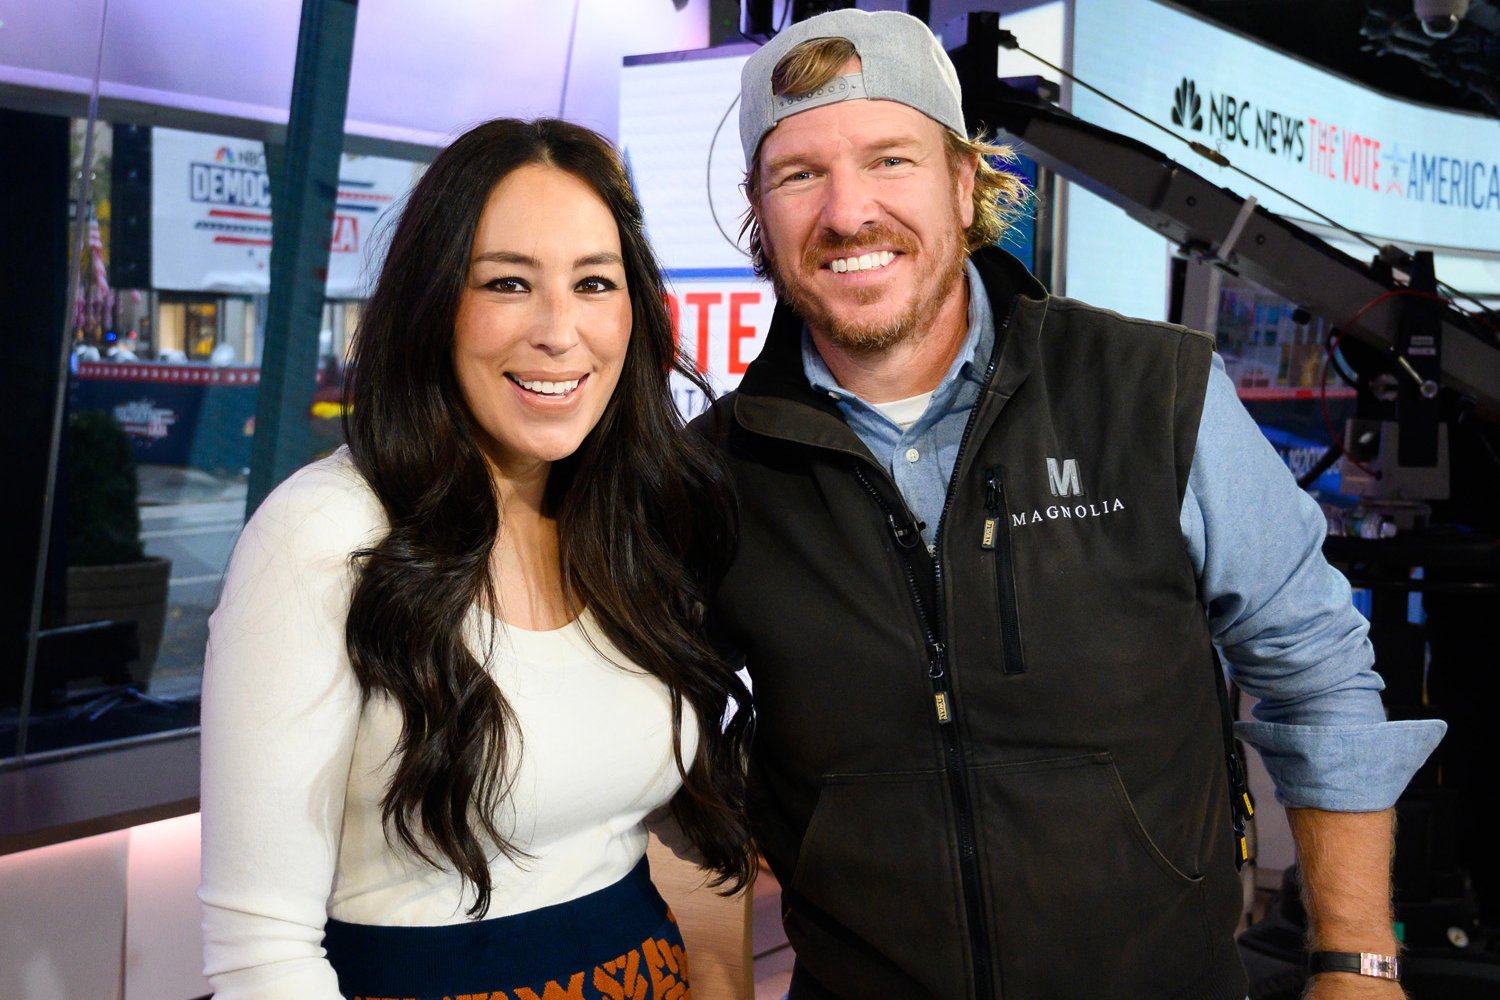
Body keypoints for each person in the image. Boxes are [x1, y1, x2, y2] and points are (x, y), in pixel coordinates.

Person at [694, 10, 1445, 1000]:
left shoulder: (1148, 391)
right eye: (799, 175)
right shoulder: (712, 477)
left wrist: (1357, 960)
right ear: (759, 207)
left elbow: (1315, 664)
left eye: (890, 159)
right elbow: (647, 753)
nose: (848, 212)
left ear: (966, 183)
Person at [199, 118, 752, 1000]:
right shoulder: (322, 534)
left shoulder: (632, 519)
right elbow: (261, 952)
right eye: (507, 283)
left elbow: (685, 837)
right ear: (431, 307)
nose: (558, 332)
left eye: (593, 283)